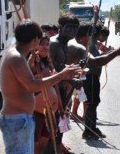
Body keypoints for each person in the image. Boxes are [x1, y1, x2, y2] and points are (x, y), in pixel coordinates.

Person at [0, 20, 80, 154]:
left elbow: (27, 85)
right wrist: (61, 75)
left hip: (20, 118)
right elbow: (32, 86)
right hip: (17, 119)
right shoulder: (16, 57)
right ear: (35, 40)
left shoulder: (17, 55)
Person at [67, 22, 120, 140]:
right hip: (89, 78)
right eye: (90, 34)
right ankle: (89, 130)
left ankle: (92, 128)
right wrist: (116, 52)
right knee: (91, 104)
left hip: (92, 78)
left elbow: (99, 58)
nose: (93, 36)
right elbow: (97, 61)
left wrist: (113, 52)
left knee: (93, 103)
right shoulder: (82, 48)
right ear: (82, 37)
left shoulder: (88, 45)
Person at [49, 14, 80, 154]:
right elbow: (52, 69)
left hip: (62, 88)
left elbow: (62, 65)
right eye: (69, 27)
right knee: (53, 121)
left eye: (75, 28)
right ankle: (52, 148)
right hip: (52, 90)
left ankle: (58, 144)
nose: (73, 31)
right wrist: (71, 79)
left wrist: (75, 69)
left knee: (63, 117)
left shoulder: (64, 43)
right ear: (61, 27)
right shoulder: (54, 43)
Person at [27, 35, 61, 154]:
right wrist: (33, 60)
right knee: (32, 146)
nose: (46, 47)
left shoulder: (48, 62)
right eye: (42, 44)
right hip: (35, 113)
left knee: (42, 147)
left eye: (48, 44)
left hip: (50, 113)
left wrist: (60, 109)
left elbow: (55, 87)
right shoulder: (32, 60)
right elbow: (27, 82)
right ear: (36, 45)